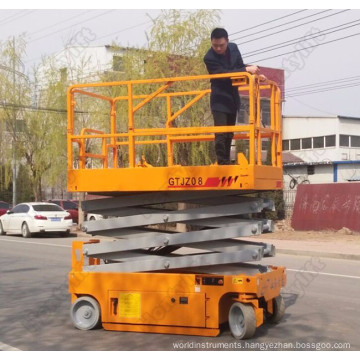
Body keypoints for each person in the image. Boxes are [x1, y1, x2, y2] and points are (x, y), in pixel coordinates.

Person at [204, 27, 265, 165]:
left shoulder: (234, 48)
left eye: (221, 45)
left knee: (230, 132)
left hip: (232, 97)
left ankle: (226, 160)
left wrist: (253, 74)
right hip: (219, 98)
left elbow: (239, 66)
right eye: (215, 46)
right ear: (211, 43)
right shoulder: (209, 57)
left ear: (227, 41)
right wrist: (245, 70)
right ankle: (222, 162)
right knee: (221, 132)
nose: (218, 48)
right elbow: (224, 75)